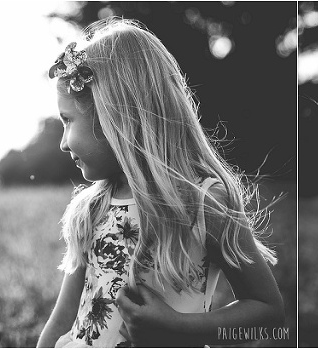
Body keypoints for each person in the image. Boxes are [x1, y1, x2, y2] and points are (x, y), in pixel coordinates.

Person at [35, 18, 284, 348]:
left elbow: (268, 318)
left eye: (68, 121)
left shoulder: (202, 205)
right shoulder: (89, 209)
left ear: (115, 117)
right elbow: (62, 319)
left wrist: (179, 327)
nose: (64, 143)